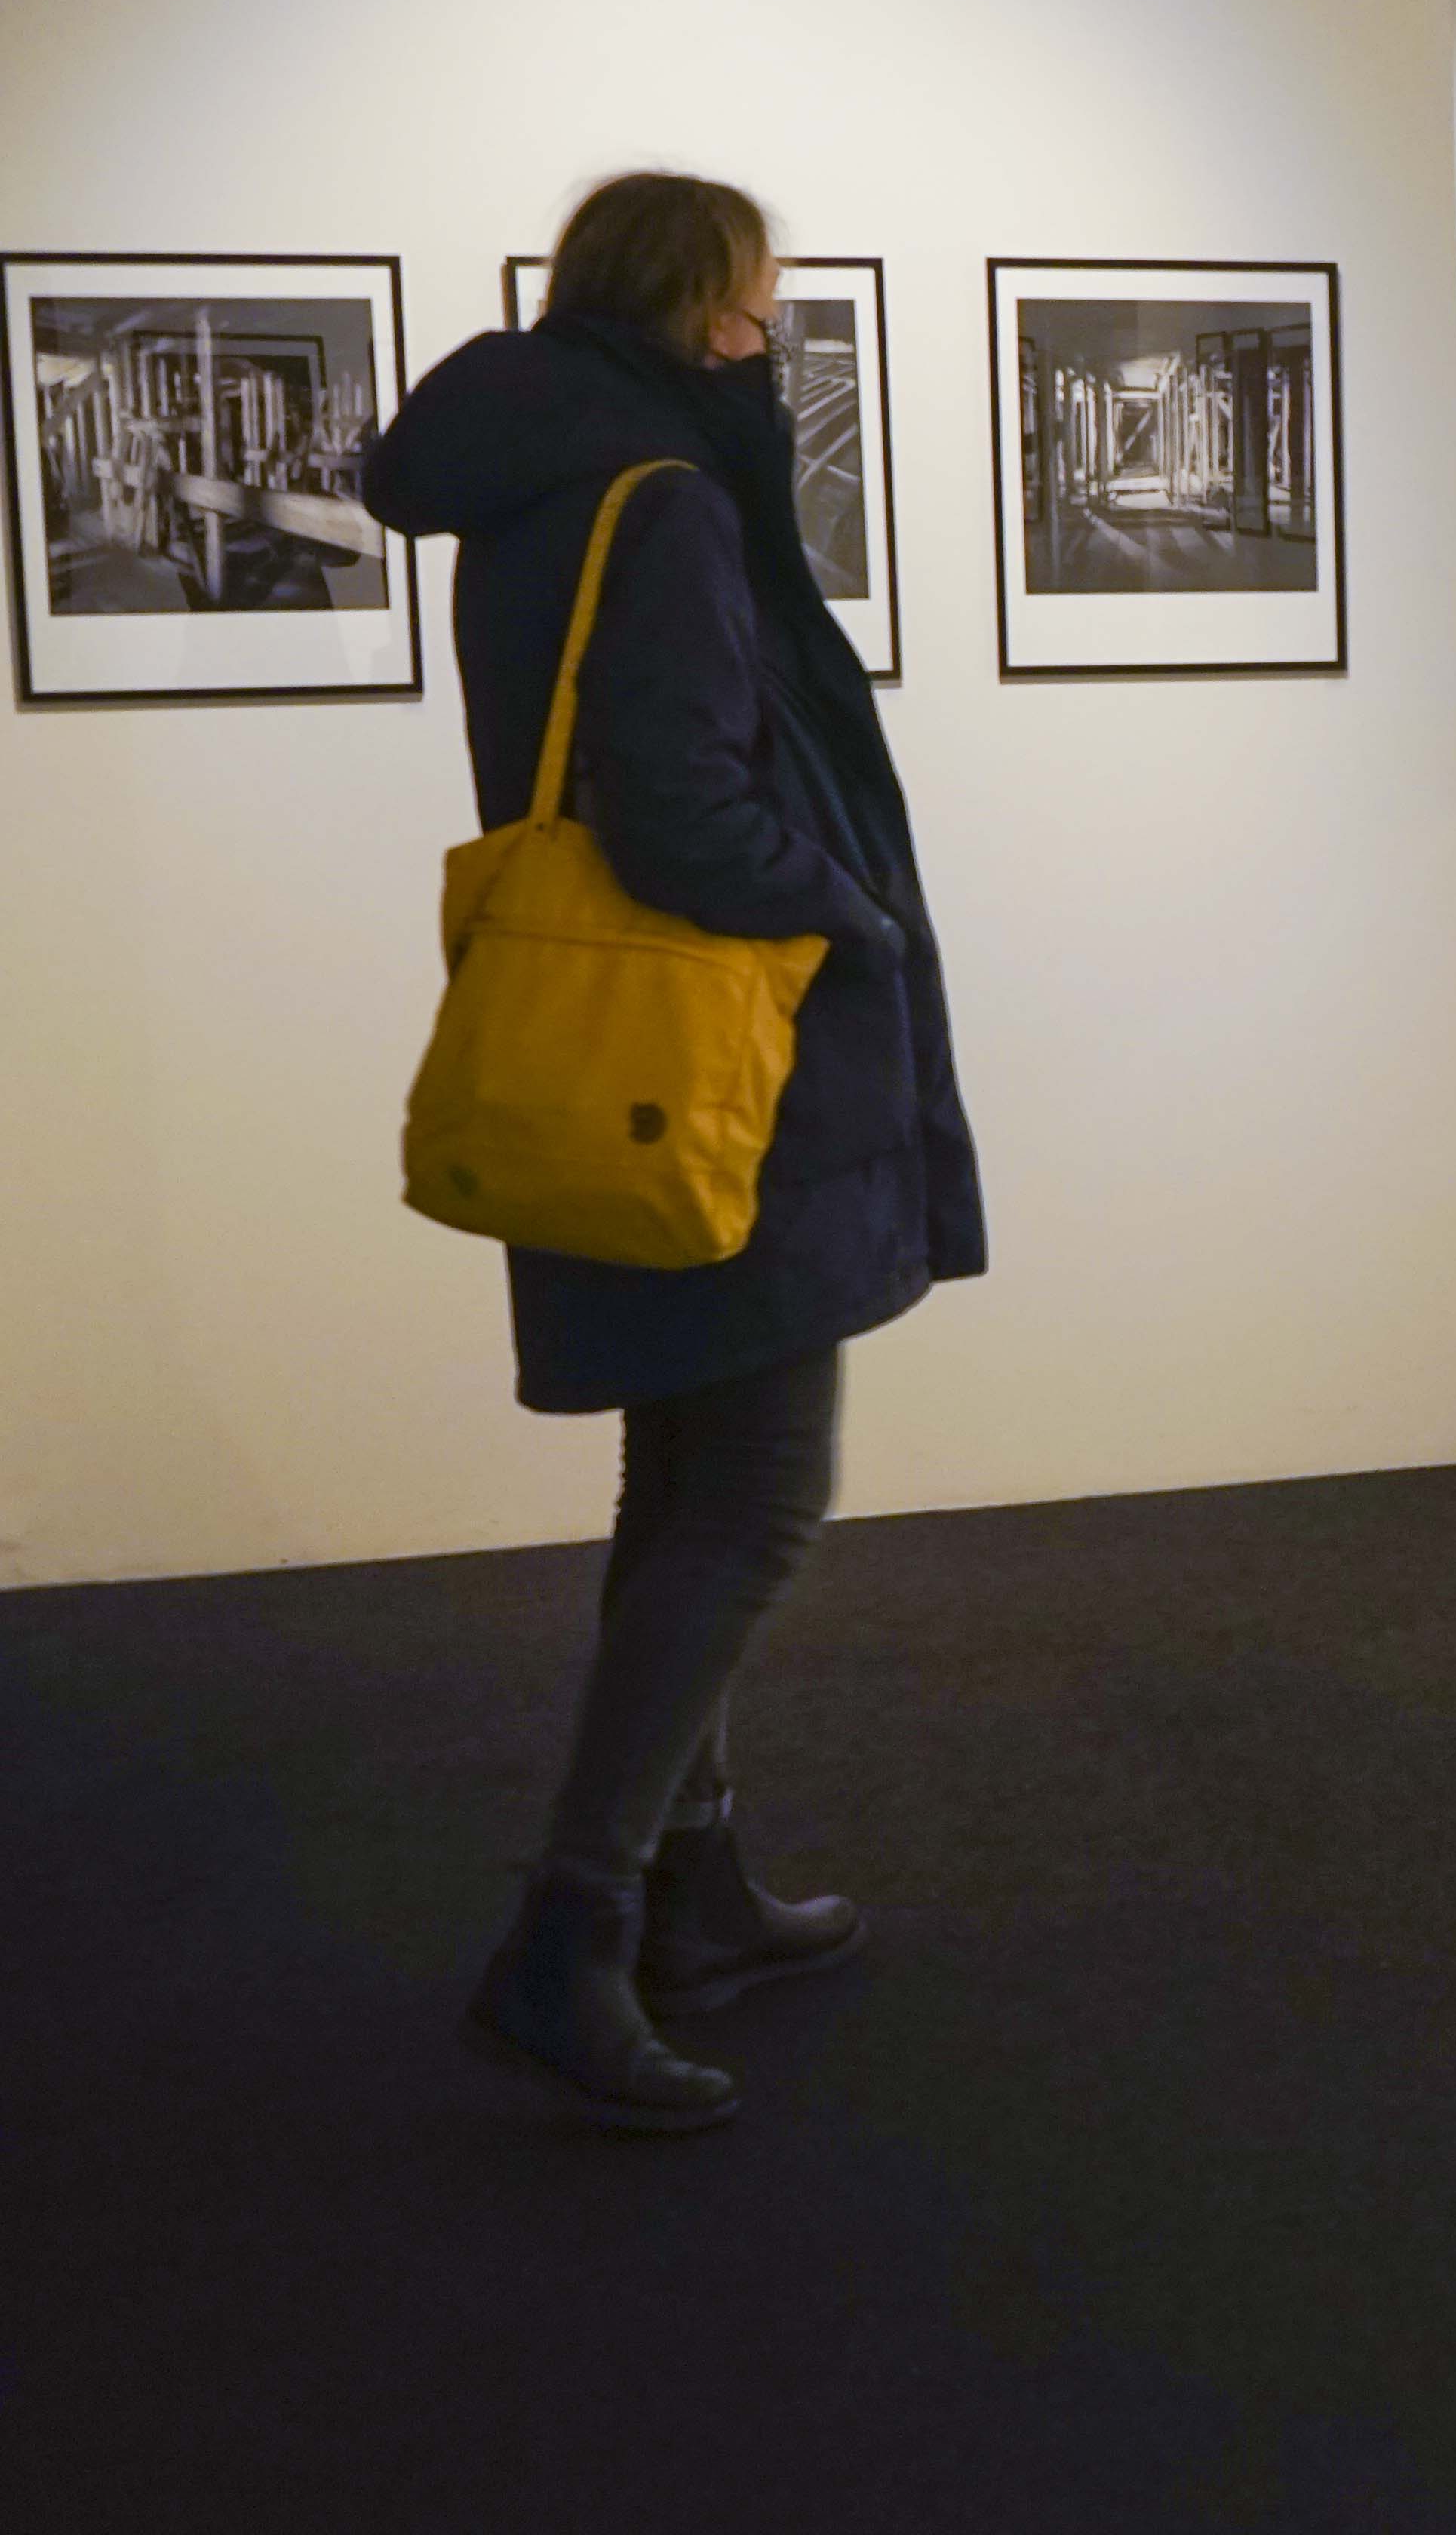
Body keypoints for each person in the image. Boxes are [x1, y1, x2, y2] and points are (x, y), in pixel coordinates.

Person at [364, 172, 984, 2132]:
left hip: (647, 1055)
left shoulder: (552, 479)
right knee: (758, 1497)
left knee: (686, 1478)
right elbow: (686, 815)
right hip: (722, 1067)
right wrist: (855, 912)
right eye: (754, 306)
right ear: (694, 304)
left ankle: (694, 1885)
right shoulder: (663, 502)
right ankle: (569, 1933)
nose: (766, 340)